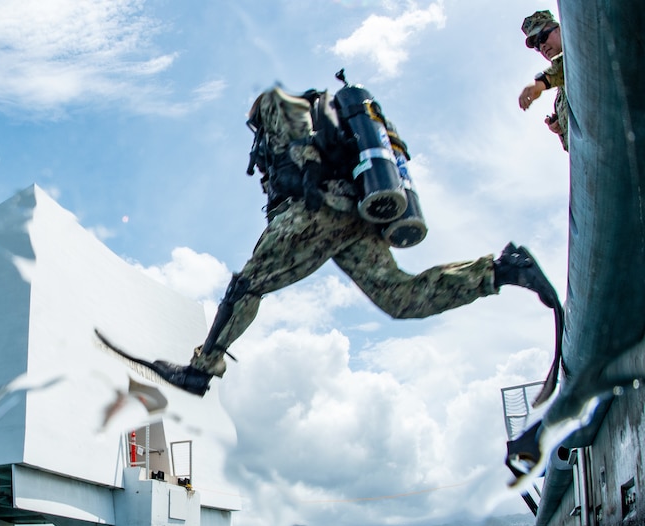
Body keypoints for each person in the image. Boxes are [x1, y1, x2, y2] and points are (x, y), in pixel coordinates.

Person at [148, 83, 562, 399]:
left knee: (247, 285)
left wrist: (310, 174)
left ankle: (200, 371)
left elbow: (298, 140)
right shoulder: (330, 117)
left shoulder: (276, 104)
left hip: (315, 211)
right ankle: (502, 270)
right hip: (354, 219)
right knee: (400, 298)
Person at [517, 10, 567, 151]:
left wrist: (541, 83)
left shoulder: (585, 45)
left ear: (559, 29)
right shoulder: (560, 95)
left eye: (543, 37)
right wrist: (560, 126)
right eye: (538, 45)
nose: (542, 46)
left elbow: (567, 65)